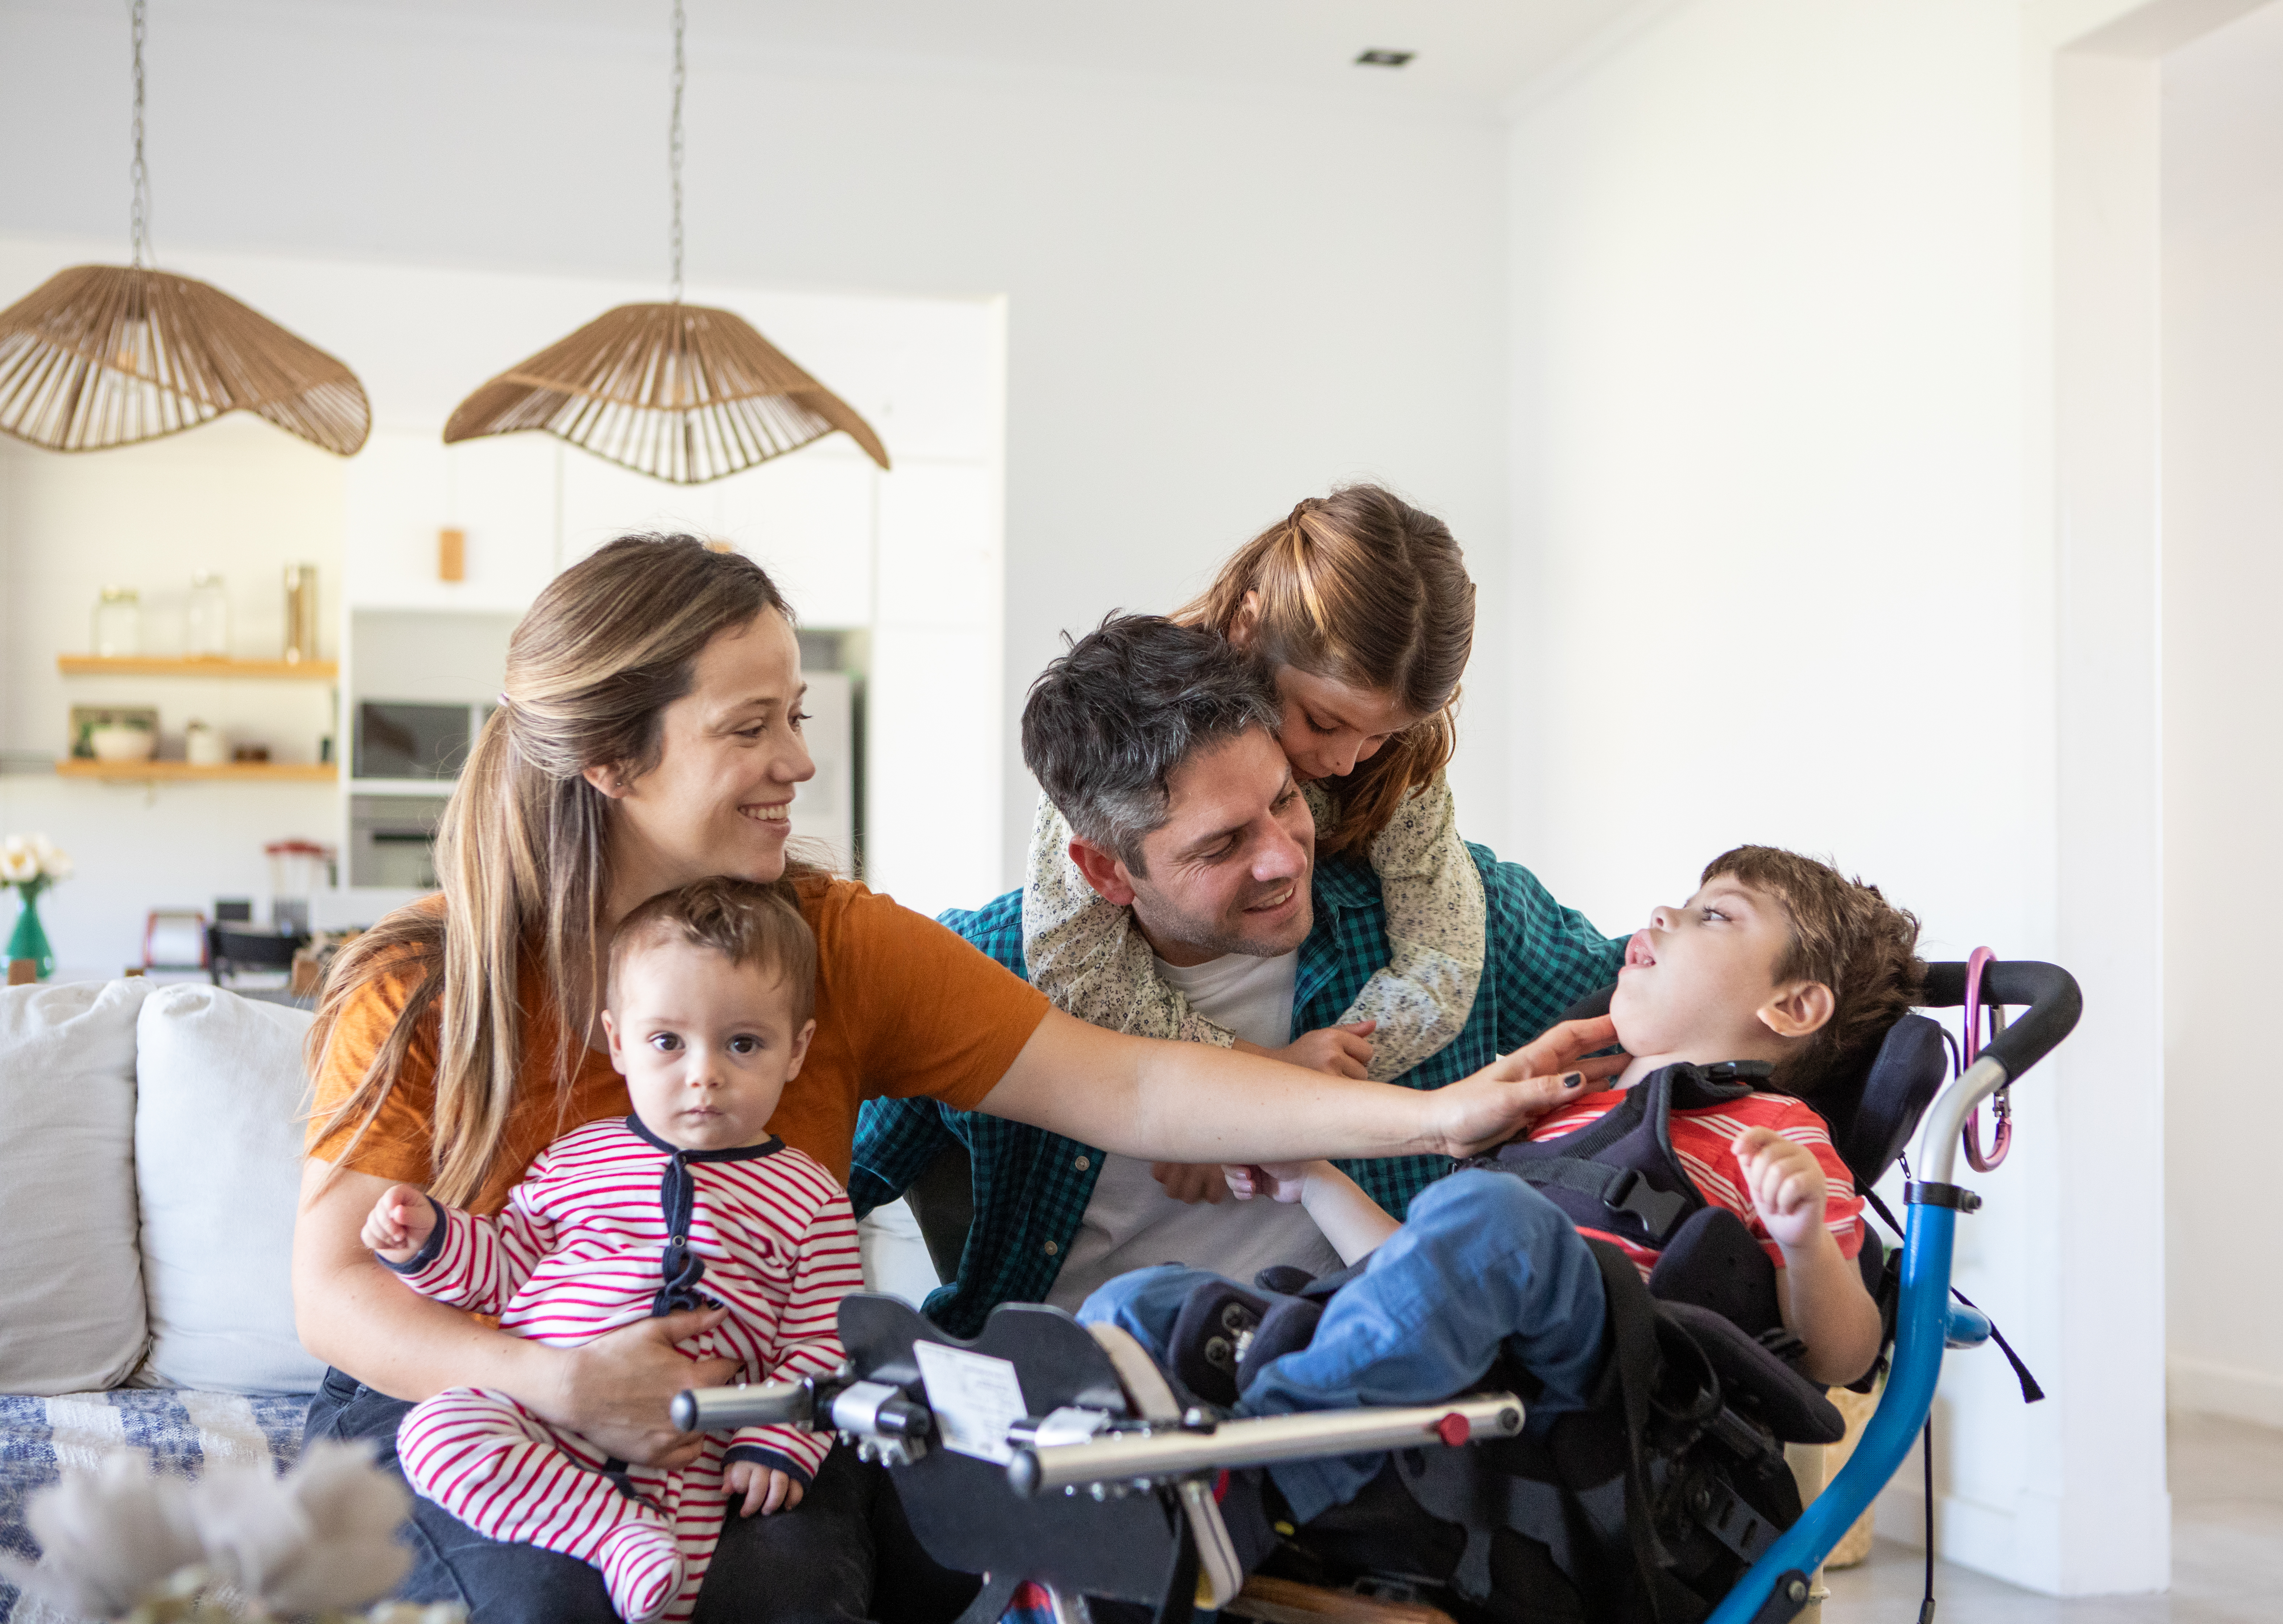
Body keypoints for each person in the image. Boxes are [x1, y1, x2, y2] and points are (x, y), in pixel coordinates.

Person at [295, 535, 1603, 1621]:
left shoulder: (835, 943)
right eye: (750, 727)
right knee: (564, 1600)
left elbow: (1134, 1090)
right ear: (614, 760)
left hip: (738, 1402)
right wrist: (568, 1386)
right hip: (480, 1402)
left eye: (795, 717)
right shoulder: (428, 980)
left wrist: (1436, 1115)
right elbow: (337, 1290)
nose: (800, 763)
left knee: (804, 1585)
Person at [852, 616, 1635, 1334]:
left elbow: (1662, 999)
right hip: (1080, 1422)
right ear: (1106, 870)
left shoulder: (1430, 920)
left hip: (1371, 1408)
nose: (1286, 857)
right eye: (1222, 844)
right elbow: (806, 1177)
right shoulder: (981, 972)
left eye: (1287, 798)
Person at [1081, 846, 1913, 1520]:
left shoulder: (1775, 1133)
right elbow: (1411, 1272)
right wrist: (1311, 1171)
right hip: (1458, 1359)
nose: (1664, 911)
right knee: (1157, 1298)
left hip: (1602, 1380)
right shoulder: (1555, 1114)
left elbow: (1843, 1356)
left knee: (1489, 1215)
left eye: (1716, 914)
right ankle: (1084, 1440)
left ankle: (1261, 1459)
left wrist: (1804, 1240)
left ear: (1796, 1006)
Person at [364, 880, 851, 1622]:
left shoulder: (809, 1195)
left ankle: (641, 1547)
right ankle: (610, 1529)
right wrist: (430, 1240)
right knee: (434, 1430)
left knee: (676, 1597)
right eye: (667, 1041)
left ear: (797, 1050)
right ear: (618, 1041)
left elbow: (822, 1343)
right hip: (541, 1422)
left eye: (743, 1043)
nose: (704, 1072)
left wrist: (778, 1441)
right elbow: (504, 1267)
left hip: (696, 1447)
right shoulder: (575, 1160)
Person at [1023, 485, 1486, 1090]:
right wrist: (1254, 1082)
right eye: (1324, 722)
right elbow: (1075, 971)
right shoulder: (1135, 721)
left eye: (1382, 736)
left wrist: (1320, 1079)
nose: (1348, 762)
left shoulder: (1399, 769)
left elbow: (1443, 957)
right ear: (1248, 627)